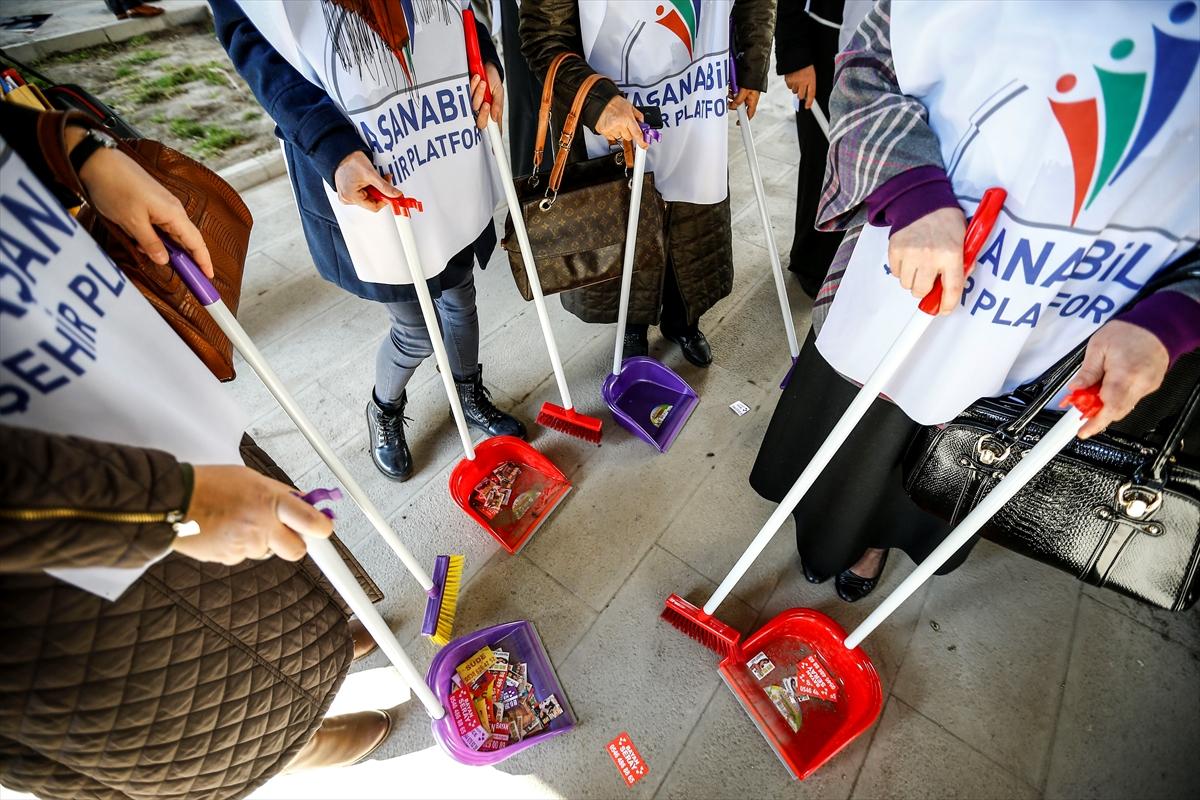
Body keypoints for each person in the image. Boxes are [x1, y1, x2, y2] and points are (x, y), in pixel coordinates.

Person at [0, 103, 393, 798]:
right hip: (42, 559)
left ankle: (327, 638)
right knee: (176, 685)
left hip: (89, 362)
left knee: (261, 538)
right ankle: (286, 743)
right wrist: (167, 507)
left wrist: (73, 150)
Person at [750, 0, 1200, 602]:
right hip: (904, 277)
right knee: (852, 435)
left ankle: (890, 537)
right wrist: (911, 189)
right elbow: (866, 68)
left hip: (1056, 328)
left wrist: (1168, 322)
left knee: (965, 455)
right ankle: (838, 536)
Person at [210, 0, 526, 483]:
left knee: (460, 295)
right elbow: (255, 41)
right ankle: (384, 406)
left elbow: (463, 10)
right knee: (415, 327)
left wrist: (482, 56)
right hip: (362, 154)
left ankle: (468, 392)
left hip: (443, 139)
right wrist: (329, 145)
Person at [519, 0, 777, 368]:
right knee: (630, 218)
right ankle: (632, 324)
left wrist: (753, 65)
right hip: (614, 114)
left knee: (693, 213)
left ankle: (683, 319)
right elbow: (543, 35)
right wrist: (598, 103)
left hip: (694, 101)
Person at [774, 0, 845, 298]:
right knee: (824, 157)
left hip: (893, 45)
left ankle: (855, 257)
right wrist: (796, 56)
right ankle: (814, 263)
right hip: (824, 43)